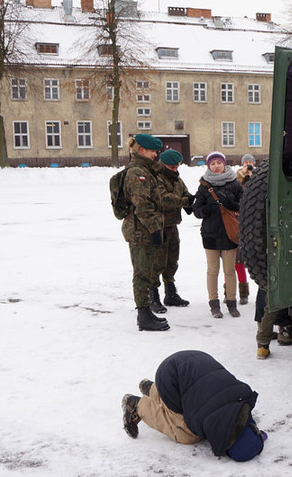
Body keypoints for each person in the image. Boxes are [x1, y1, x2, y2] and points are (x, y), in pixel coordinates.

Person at [121, 350, 267, 462]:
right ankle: (137, 405)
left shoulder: (243, 400)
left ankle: (154, 389)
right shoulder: (204, 419)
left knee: (193, 393)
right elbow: (193, 421)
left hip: (191, 362)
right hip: (172, 376)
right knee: (185, 433)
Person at [121, 134, 169, 332]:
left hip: (145, 230)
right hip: (141, 231)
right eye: (153, 151)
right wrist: (155, 229)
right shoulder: (137, 174)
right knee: (141, 273)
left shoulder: (146, 170)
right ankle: (143, 315)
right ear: (142, 151)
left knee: (148, 271)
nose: (156, 155)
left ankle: (146, 310)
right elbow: (143, 206)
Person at [192, 151, 243, 318]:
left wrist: (231, 204)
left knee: (230, 270)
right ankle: (214, 304)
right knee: (212, 270)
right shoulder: (204, 186)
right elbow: (197, 211)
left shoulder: (235, 183)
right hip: (210, 234)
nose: (216, 166)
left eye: (218, 163)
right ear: (208, 166)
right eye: (212, 164)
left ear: (224, 164)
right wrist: (208, 209)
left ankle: (232, 303)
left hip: (230, 233)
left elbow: (244, 205)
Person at [152, 149, 194, 310]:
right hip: (158, 226)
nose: (175, 170)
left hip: (172, 225)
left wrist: (193, 203)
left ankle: (170, 293)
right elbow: (163, 199)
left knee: (172, 260)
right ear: (163, 165)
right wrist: (185, 201)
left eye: (177, 167)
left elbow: (185, 193)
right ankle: (153, 296)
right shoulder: (157, 178)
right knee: (157, 262)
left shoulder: (177, 179)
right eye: (172, 167)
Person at [232, 153, 256, 305]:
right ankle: (236, 292)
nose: (247, 164)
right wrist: (242, 177)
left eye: (250, 162)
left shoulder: (257, 177)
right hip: (236, 223)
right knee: (235, 260)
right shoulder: (235, 178)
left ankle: (251, 292)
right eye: (245, 162)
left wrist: (253, 176)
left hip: (251, 224)